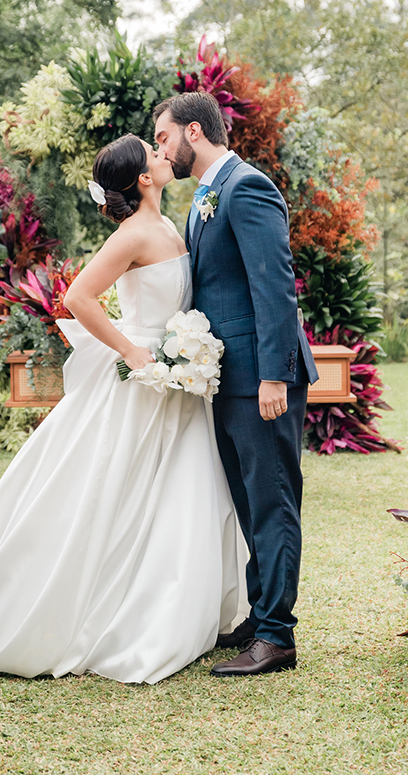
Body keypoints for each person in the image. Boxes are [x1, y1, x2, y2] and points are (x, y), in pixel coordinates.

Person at [0, 133, 240, 684]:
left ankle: (163, 604)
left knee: (171, 494)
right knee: (102, 490)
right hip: (143, 380)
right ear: (144, 178)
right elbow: (77, 298)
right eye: (154, 152)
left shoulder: (170, 224)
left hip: (176, 380)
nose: (164, 154)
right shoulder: (135, 233)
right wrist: (133, 352)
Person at [153, 92, 319, 677]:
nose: (160, 150)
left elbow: (275, 285)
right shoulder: (206, 192)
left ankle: (277, 638)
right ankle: (261, 612)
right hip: (227, 377)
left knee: (272, 503)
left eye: (164, 137)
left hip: (260, 380)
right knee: (249, 501)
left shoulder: (247, 186)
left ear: (193, 132)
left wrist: (275, 374)